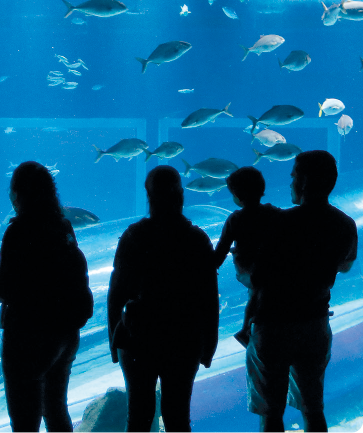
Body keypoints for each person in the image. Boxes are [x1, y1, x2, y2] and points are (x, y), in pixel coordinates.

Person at [241, 150, 358, 433]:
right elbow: (344, 267)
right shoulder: (344, 224)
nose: (290, 181)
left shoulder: (279, 222)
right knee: (313, 408)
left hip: (273, 325)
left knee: (271, 413)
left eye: (293, 175)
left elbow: (254, 275)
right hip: (314, 323)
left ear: (304, 181)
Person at [108, 165, 219, 433]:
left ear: (149, 195)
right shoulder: (196, 239)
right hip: (184, 339)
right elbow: (209, 300)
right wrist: (209, 345)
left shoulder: (134, 236)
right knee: (178, 417)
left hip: (137, 338)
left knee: (138, 416)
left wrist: (114, 338)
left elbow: (116, 292)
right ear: (180, 194)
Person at [0, 161, 93, 433]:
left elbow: (2, 288)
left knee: (25, 419)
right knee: (56, 408)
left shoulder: (18, 231)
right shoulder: (63, 227)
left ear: (18, 193)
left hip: (28, 338)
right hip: (64, 333)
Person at [214, 166, 279, 347]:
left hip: (249, 268)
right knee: (259, 294)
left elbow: (220, 252)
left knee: (256, 294)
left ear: (237, 195)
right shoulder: (274, 213)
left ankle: (246, 330)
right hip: (272, 267)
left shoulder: (235, 219)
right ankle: (247, 329)